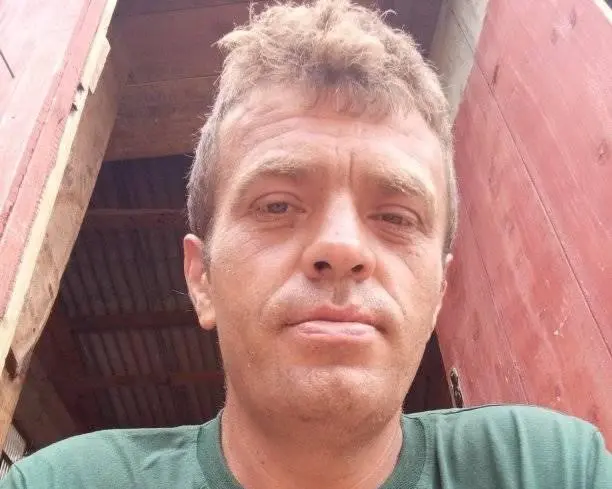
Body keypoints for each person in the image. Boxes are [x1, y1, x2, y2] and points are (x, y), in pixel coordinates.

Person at [2, 0, 611, 488]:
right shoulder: (63, 482)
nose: (341, 247)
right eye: (277, 206)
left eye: (395, 216)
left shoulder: (551, 469)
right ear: (201, 276)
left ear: (439, 292)